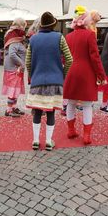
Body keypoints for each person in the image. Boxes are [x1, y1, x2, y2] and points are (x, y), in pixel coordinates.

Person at [26, 12, 72, 150]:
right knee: (51, 112)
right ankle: (48, 141)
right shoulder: (59, 37)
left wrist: (32, 75)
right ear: (53, 25)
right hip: (55, 80)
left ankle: (35, 140)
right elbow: (69, 59)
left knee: (37, 111)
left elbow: (28, 61)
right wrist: (62, 75)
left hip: (37, 80)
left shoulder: (33, 39)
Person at [64, 5, 107, 145]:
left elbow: (64, 58)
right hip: (86, 73)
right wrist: (101, 76)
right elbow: (95, 58)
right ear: (86, 21)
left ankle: (71, 130)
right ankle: (86, 135)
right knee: (87, 105)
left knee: (71, 103)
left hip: (71, 72)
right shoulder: (90, 35)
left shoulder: (68, 37)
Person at [2, 17, 27, 117]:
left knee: (15, 89)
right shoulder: (14, 37)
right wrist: (22, 63)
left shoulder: (14, 36)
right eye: (24, 26)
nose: (25, 28)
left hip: (15, 68)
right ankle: (9, 110)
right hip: (14, 69)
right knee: (13, 89)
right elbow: (12, 54)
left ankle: (14, 108)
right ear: (20, 26)